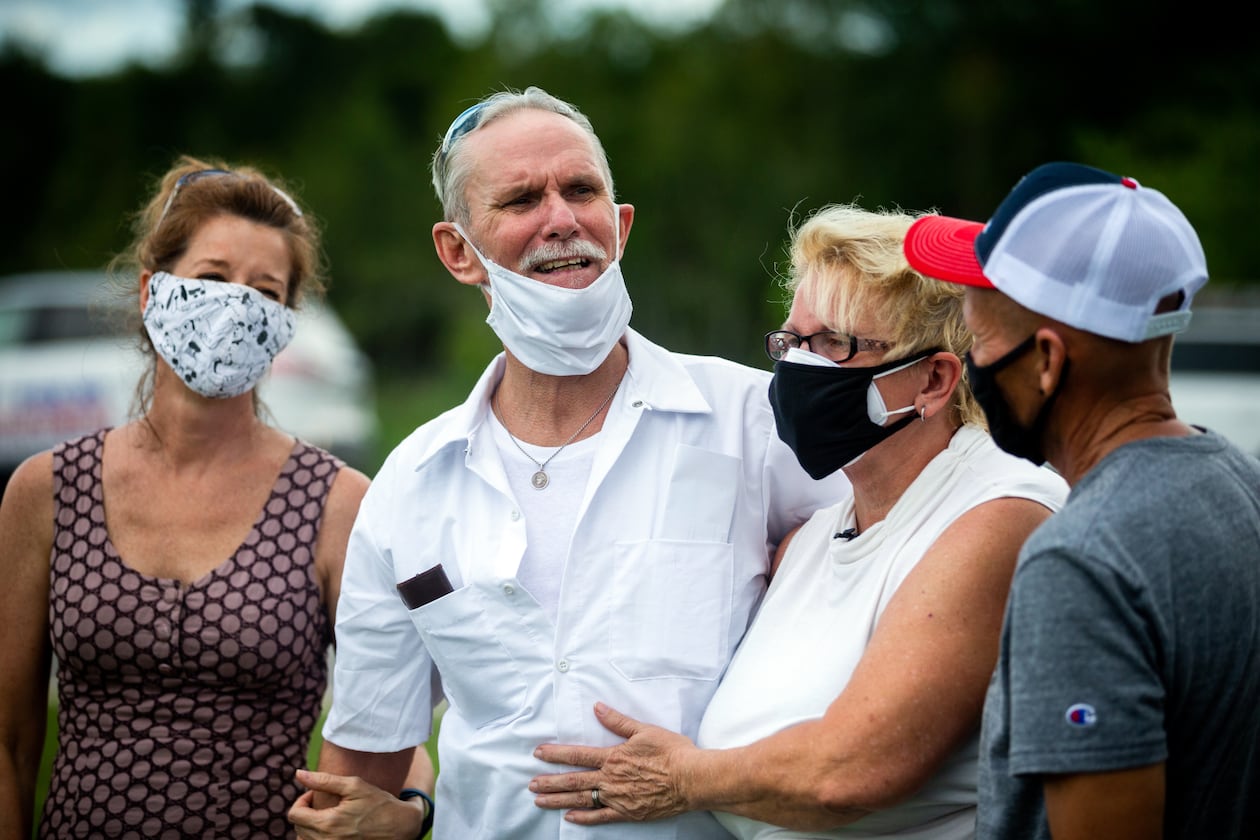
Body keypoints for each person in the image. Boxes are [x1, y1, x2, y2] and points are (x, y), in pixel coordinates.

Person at [287, 86, 847, 840]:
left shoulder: (756, 422)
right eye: (521, 199)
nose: (560, 218)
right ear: (459, 252)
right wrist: (410, 816)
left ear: (620, 225)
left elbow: (889, 580)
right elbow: (359, 771)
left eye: (580, 189)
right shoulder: (412, 486)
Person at [528, 203, 1069, 838]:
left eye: (834, 344)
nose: (797, 368)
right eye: (791, 341)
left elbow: (854, 772)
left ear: (933, 381)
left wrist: (685, 779)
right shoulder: (814, 538)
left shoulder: (998, 511)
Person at [0, 155, 432, 839]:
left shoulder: (338, 505)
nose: (237, 306)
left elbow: (397, 729)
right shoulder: (47, 492)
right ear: (152, 291)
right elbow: (11, 744)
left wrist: (410, 813)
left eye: (266, 290)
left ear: (287, 323)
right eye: (211, 278)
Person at [902, 161, 1260, 839]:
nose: (974, 368)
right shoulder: (1242, 486)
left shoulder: (1082, 563)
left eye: (979, 341)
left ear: (1046, 360)